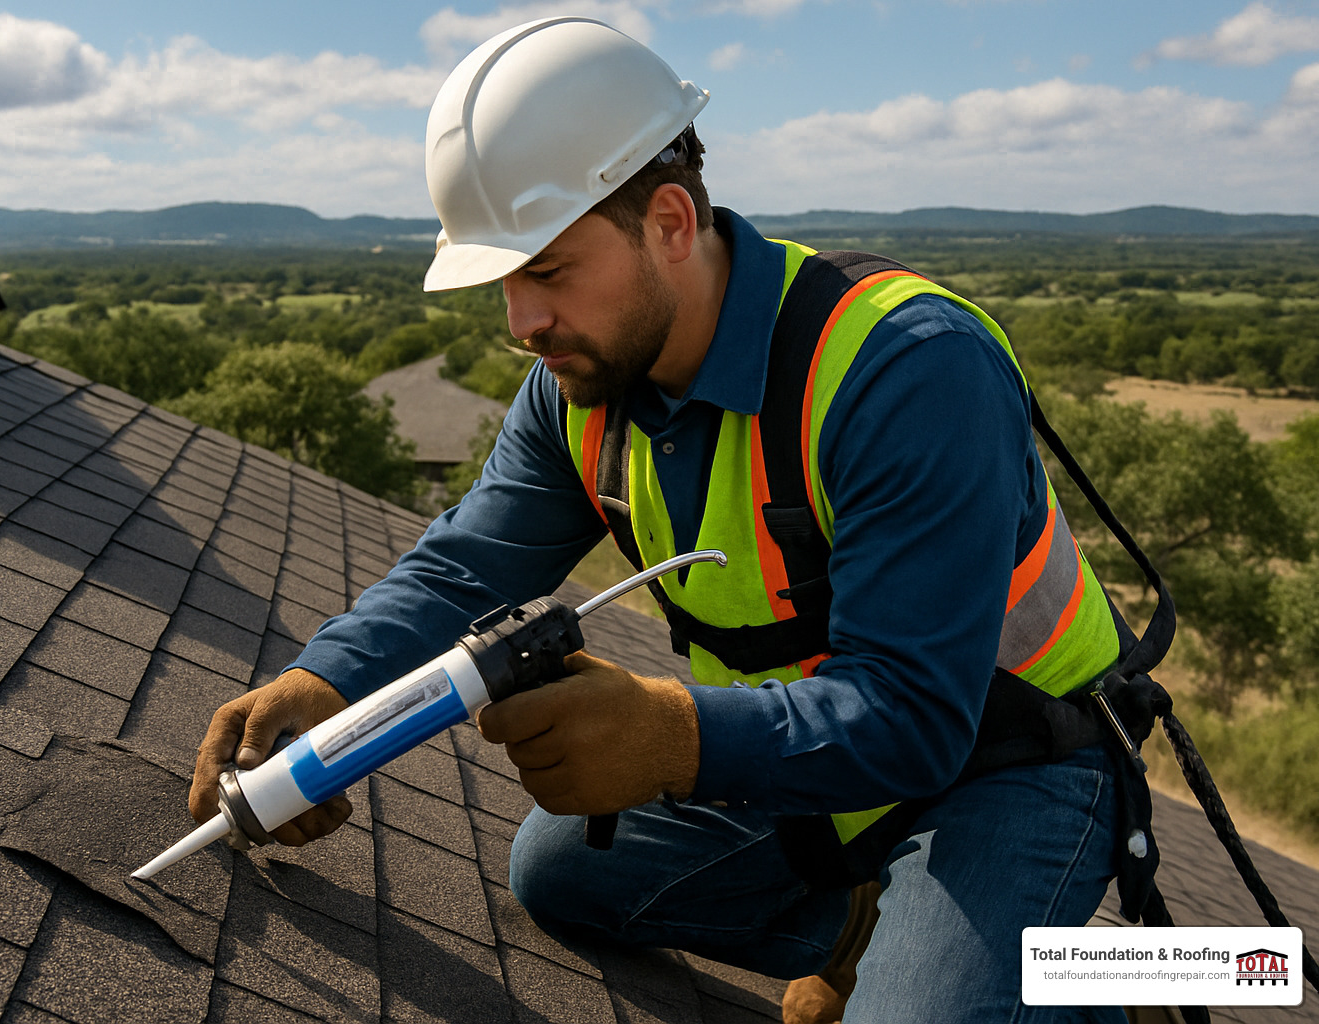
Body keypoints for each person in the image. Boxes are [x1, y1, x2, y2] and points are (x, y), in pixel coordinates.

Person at [192, 18, 1130, 1023]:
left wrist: (676, 735)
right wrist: (328, 678)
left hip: (1012, 758)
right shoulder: (584, 390)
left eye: (547, 270)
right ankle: (897, 937)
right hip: (818, 763)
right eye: (503, 278)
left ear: (672, 223)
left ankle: (1100, 986)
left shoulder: (905, 369)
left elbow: (916, 716)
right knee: (557, 870)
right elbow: (467, 566)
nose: (520, 321)